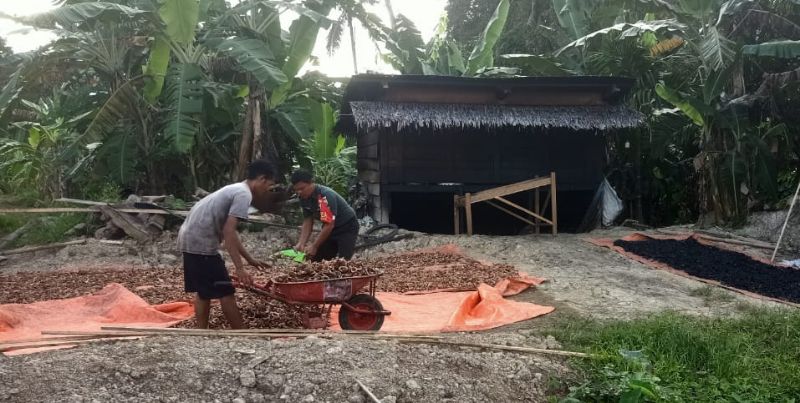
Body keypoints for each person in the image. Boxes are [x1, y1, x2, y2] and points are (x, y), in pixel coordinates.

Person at [177, 159, 275, 329]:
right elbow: (229, 232)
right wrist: (240, 268)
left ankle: (201, 334)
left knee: (204, 291)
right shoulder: (244, 194)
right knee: (226, 291)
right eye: (269, 185)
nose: (268, 190)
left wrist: (249, 259)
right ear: (261, 179)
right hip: (201, 242)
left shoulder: (237, 188)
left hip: (189, 238)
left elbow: (231, 232)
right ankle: (241, 334)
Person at [291, 169, 359, 261]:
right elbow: (308, 220)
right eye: (296, 190)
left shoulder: (324, 196)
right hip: (330, 228)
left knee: (343, 261)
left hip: (347, 226)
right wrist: (301, 243)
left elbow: (329, 224)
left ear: (312, 183)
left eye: (302, 188)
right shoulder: (303, 198)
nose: (299, 192)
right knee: (317, 259)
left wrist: (314, 246)